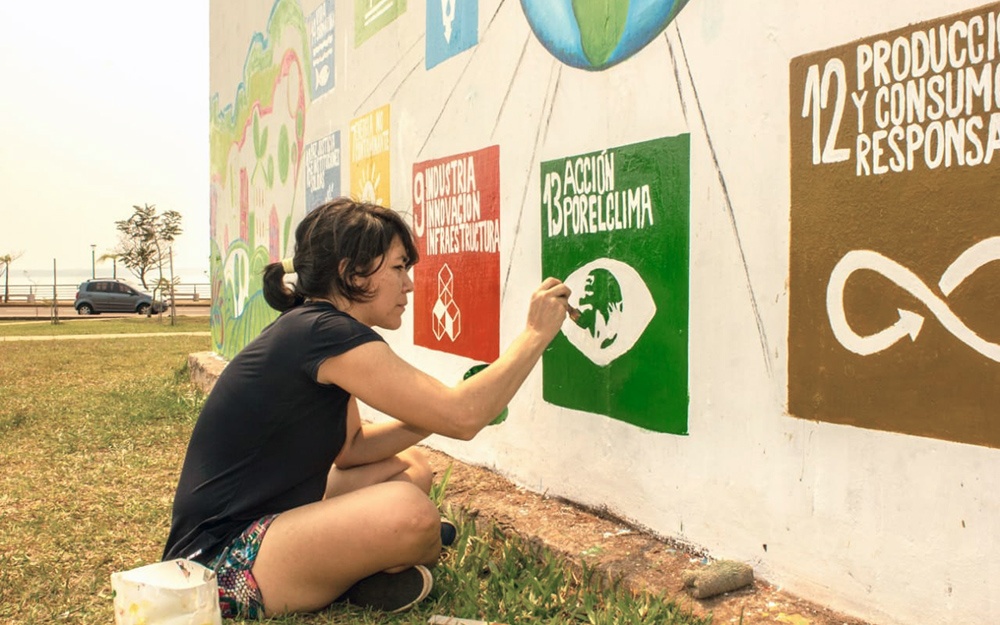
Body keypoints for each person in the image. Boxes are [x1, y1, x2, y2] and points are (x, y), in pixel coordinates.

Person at [162, 197, 571, 619]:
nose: (409, 284)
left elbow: (352, 448)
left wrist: (432, 415)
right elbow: (463, 417)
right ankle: (366, 569)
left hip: (269, 523)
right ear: (351, 273)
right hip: (220, 566)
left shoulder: (314, 327)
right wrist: (536, 333)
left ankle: (356, 573)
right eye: (398, 268)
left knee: (411, 468)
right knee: (411, 515)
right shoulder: (326, 333)